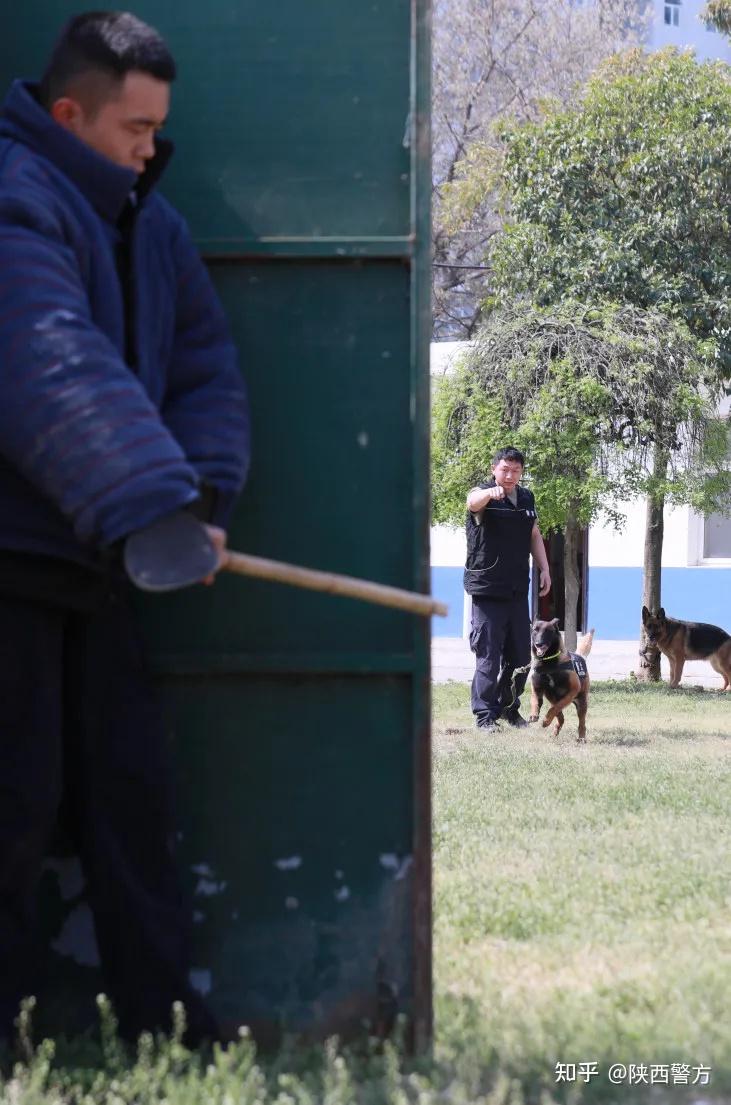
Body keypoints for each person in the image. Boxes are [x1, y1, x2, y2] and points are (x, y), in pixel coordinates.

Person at [0, 12, 250, 1043]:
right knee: (9, 817)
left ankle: (166, 1026)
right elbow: (41, 356)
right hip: (12, 568)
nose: (152, 148)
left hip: (106, 566)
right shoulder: (14, 201)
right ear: (71, 114)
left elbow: (202, 367)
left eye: (157, 128)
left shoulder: (153, 226)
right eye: (134, 128)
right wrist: (152, 503)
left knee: (133, 810)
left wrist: (196, 502)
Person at [464, 447, 551, 732]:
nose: (510, 475)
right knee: (488, 657)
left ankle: (509, 709)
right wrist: (490, 494)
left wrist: (545, 568)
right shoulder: (484, 493)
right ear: (494, 469)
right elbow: (472, 502)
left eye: (516, 471)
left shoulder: (526, 498)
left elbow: (534, 534)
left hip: (516, 590)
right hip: (487, 590)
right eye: (505, 469)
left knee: (521, 657)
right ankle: (484, 717)